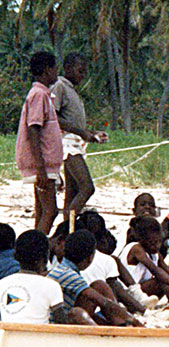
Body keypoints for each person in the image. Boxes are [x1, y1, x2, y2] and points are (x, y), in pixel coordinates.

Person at [51, 53, 108, 221]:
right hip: (66, 143)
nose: (82, 76)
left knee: (72, 192)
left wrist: (91, 133)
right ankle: (69, 223)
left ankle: (68, 231)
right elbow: (52, 116)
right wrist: (82, 133)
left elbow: (72, 121)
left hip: (76, 142)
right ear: (68, 68)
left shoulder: (71, 89)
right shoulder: (59, 86)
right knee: (87, 187)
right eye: (80, 71)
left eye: (84, 72)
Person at [47, 230, 142, 326]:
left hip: (63, 316)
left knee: (98, 285)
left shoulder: (62, 269)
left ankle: (119, 324)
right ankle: (121, 325)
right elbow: (103, 301)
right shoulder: (69, 274)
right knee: (89, 304)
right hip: (59, 323)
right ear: (90, 257)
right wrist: (133, 320)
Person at [15, 51, 61, 234]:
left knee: (42, 210)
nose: (57, 72)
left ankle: (34, 250)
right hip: (41, 164)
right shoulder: (38, 95)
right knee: (51, 211)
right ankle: (35, 250)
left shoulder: (44, 95)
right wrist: (41, 168)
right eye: (55, 68)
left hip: (46, 165)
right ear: (47, 70)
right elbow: (33, 129)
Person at [0, 230, 89, 324]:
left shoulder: (2, 283)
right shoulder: (52, 285)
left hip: (7, 338)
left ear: (15, 256)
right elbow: (61, 323)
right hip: (39, 338)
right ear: (46, 258)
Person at [77, 211, 154, 313]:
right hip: (101, 311)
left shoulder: (68, 257)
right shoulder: (107, 260)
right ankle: (139, 300)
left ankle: (138, 298)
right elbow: (118, 291)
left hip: (79, 307)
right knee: (112, 286)